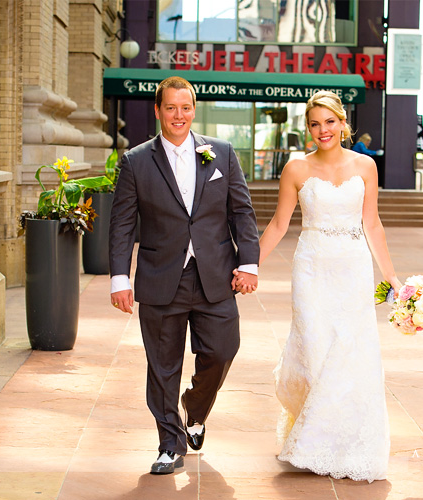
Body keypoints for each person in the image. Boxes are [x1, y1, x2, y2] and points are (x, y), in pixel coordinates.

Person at [109, 76, 260, 475]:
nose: (179, 115)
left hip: (215, 275)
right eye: (171, 108)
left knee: (223, 350)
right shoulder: (137, 161)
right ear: (158, 110)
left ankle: (195, 408)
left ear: (195, 109)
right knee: (163, 365)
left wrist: (249, 262)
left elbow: (241, 211)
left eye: (186, 107)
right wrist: (119, 278)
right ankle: (169, 444)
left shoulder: (220, 154)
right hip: (161, 278)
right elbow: (122, 224)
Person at [253, 90, 402, 481]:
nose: (323, 130)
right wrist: (248, 265)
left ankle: (346, 443)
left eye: (330, 122)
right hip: (311, 269)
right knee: (317, 351)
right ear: (308, 128)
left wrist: (392, 277)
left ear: (342, 123)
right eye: (315, 124)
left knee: (351, 354)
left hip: (352, 271)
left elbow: (372, 224)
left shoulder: (366, 166)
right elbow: (278, 225)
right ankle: (315, 440)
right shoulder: (296, 169)